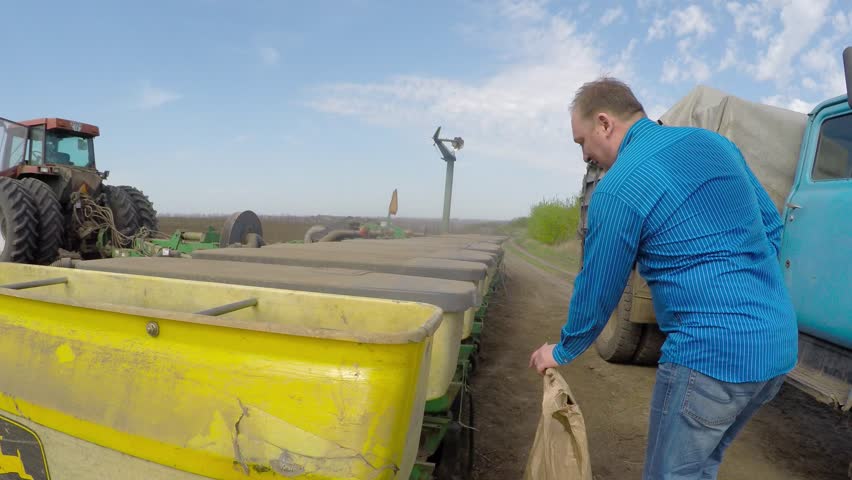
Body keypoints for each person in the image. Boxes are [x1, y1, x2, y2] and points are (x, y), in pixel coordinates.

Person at [528, 78, 798, 479]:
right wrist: (752, 293)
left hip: (710, 358)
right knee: (702, 467)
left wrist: (564, 350)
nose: (585, 155)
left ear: (605, 124)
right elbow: (772, 227)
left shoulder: (619, 187)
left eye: (581, 142)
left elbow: (598, 286)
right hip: (777, 348)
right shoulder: (715, 145)